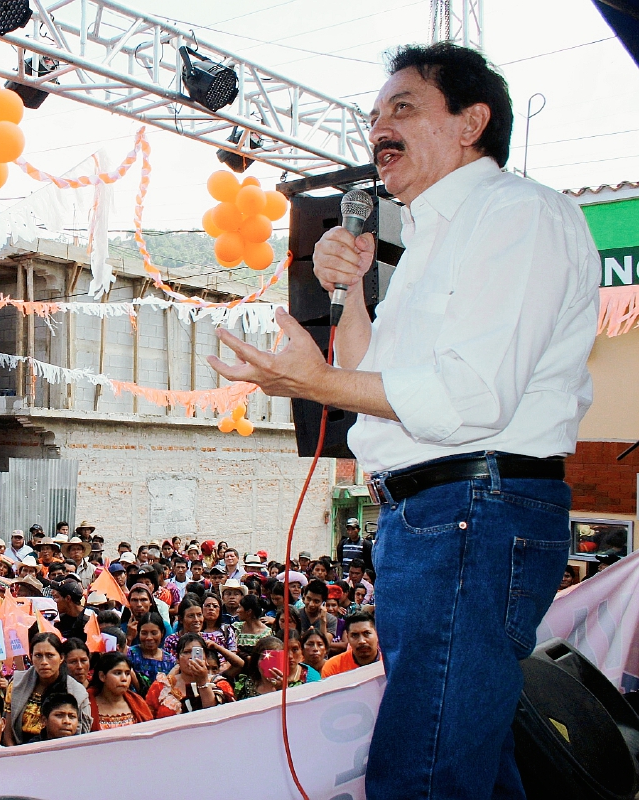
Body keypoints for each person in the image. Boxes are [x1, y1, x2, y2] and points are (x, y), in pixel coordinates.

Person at [210, 43, 596, 799]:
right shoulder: (426, 239)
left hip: (472, 510)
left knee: (423, 772)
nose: (378, 128)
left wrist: (314, 380)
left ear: (471, 122)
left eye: (404, 108)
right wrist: (348, 292)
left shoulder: (514, 214)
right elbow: (372, 378)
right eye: (375, 115)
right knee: (468, 760)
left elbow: (472, 400)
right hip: (437, 515)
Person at [3, 632, 90, 745]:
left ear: (61, 658)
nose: (44, 662)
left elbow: (81, 737)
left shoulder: (77, 692)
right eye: (38, 656)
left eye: (50, 655)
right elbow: (8, 734)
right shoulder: (17, 684)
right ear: (31, 657)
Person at [145, 633, 232, 718]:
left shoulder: (219, 684)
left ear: (205, 658)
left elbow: (217, 717)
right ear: (177, 659)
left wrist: (202, 682)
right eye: (186, 652)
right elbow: (148, 719)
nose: (191, 657)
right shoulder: (161, 686)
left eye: (196, 652)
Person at [87, 651, 153, 731]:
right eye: (118, 673)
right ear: (102, 676)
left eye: (127, 673)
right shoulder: (87, 705)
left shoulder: (138, 703)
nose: (124, 678)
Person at [125, 612, 176, 693]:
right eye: (144, 633)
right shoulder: (130, 654)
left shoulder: (170, 661)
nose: (149, 638)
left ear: (162, 633)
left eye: (154, 633)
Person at [322, 611, 381, 677]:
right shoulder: (333, 667)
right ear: (348, 638)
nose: (362, 641)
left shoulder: (390, 664)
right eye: (355, 635)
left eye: (367, 633)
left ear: (377, 634)